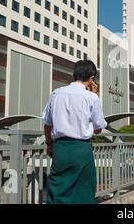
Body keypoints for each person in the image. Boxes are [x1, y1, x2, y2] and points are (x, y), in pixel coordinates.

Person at [43, 60, 108, 204]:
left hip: (61, 148)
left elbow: (47, 124)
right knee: (84, 190)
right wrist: (94, 94)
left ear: (74, 74)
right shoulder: (91, 97)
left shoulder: (56, 93)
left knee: (58, 188)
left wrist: (49, 144)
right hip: (82, 149)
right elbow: (98, 129)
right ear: (91, 78)